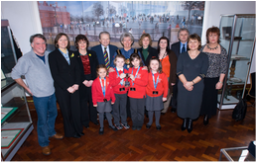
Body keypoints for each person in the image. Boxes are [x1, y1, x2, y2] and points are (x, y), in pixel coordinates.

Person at [11, 34, 63, 155]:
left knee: (54, 114)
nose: (41, 46)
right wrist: (26, 88)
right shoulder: (26, 59)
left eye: (43, 43)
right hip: (39, 96)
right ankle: (44, 143)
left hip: (52, 92)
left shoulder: (49, 54)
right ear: (32, 45)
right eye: (38, 43)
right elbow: (15, 74)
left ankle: (51, 132)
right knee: (42, 120)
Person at [49, 33, 83, 138]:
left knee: (76, 110)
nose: (63, 42)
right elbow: (55, 74)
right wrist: (67, 87)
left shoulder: (73, 53)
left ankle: (78, 130)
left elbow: (78, 70)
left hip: (75, 87)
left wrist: (77, 84)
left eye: (65, 40)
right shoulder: (52, 55)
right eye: (61, 40)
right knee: (66, 111)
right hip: (62, 89)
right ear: (56, 42)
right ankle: (70, 132)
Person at [176, 34, 209, 133]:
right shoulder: (182, 55)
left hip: (197, 86)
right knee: (183, 103)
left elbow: (203, 73)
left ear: (199, 43)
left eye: (195, 41)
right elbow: (178, 71)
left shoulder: (204, 56)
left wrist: (191, 83)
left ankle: (190, 121)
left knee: (194, 104)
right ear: (187, 44)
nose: (193, 44)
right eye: (190, 42)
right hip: (183, 84)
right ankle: (184, 121)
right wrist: (186, 83)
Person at [200, 27, 228, 125]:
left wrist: (220, 81)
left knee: (210, 98)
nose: (212, 37)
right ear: (207, 36)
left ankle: (207, 114)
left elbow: (224, 67)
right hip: (201, 77)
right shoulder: (202, 48)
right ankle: (200, 112)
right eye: (210, 35)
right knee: (201, 96)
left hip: (214, 78)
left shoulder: (222, 50)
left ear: (218, 36)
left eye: (215, 35)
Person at [74, 34, 99, 127]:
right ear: (77, 44)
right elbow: (74, 70)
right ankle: (85, 121)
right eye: (80, 42)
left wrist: (93, 79)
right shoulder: (74, 55)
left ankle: (93, 119)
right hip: (81, 81)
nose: (82, 44)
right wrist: (83, 80)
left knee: (93, 100)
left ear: (87, 43)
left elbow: (96, 67)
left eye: (84, 42)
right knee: (83, 102)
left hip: (92, 80)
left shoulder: (92, 53)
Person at [91, 65, 118, 135]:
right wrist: (94, 102)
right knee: (101, 114)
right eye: (100, 72)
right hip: (99, 101)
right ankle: (101, 127)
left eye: (104, 72)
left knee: (108, 113)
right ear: (97, 73)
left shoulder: (109, 80)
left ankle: (111, 125)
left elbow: (111, 90)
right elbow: (94, 93)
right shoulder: (95, 82)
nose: (102, 74)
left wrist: (113, 99)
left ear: (106, 72)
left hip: (108, 100)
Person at [145, 57, 168, 130]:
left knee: (157, 110)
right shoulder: (147, 74)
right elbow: (144, 84)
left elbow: (166, 86)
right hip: (149, 95)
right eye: (152, 64)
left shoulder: (162, 74)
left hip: (159, 96)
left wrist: (165, 96)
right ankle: (150, 121)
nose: (154, 66)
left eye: (156, 64)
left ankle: (157, 122)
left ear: (159, 65)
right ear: (149, 65)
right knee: (150, 110)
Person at [128, 53, 148, 130]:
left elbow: (145, 83)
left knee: (140, 110)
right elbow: (128, 81)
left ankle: (139, 123)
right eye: (133, 61)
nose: (135, 62)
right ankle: (135, 123)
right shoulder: (130, 70)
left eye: (136, 60)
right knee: (133, 110)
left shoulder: (144, 70)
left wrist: (134, 79)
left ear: (140, 60)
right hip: (132, 94)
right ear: (131, 62)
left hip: (141, 94)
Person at [171, 28, 189, 113]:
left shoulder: (191, 46)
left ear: (188, 36)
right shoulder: (174, 46)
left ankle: (184, 106)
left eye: (185, 34)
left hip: (188, 73)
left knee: (185, 91)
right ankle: (174, 106)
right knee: (175, 91)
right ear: (178, 36)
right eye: (181, 34)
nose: (183, 36)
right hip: (177, 73)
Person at [109, 54, 130, 130]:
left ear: (124, 62)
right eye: (118, 61)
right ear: (115, 62)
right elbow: (112, 83)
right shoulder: (112, 72)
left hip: (124, 93)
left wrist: (126, 86)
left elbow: (129, 82)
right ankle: (117, 122)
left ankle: (124, 121)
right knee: (115, 109)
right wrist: (119, 78)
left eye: (122, 62)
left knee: (123, 108)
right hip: (115, 94)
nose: (120, 63)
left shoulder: (126, 71)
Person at [157, 36, 177, 114]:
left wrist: (173, 80)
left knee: (167, 93)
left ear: (167, 44)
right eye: (161, 42)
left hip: (167, 78)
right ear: (159, 43)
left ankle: (164, 110)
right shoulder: (156, 53)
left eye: (165, 42)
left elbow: (174, 67)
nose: (163, 44)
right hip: (157, 78)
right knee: (158, 93)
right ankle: (157, 107)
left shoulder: (171, 54)